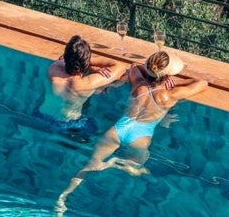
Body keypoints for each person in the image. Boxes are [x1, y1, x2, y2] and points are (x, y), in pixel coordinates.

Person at [56, 50, 208, 206]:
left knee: (90, 163)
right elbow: (203, 83)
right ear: (168, 76)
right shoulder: (171, 94)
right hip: (140, 137)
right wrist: (175, 81)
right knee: (138, 168)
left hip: (117, 130)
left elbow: (135, 65)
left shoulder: (138, 82)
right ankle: (115, 163)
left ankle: (63, 197)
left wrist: (152, 72)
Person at [37, 35, 127, 140]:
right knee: (93, 129)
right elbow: (121, 67)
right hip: (68, 125)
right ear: (86, 62)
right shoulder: (84, 84)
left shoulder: (53, 68)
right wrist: (90, 63)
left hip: (41, 116)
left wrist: (84, 62)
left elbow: (62, 58)